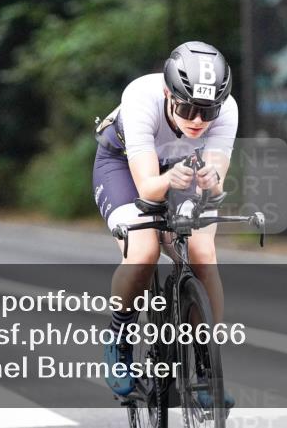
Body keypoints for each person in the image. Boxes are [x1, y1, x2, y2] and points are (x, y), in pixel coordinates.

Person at [92, 40, 237, 407]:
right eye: (187, 107)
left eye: (208, 112)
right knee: (145, 250)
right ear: (167, 92)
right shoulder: (141, 97)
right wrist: (168, 182)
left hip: (181, 172)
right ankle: (119, 341)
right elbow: (148, 188)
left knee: (202, 252)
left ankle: (207, 369)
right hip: (125, 168)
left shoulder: (228, 111)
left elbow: (217, 184)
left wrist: (210, 180)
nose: (198, 121)